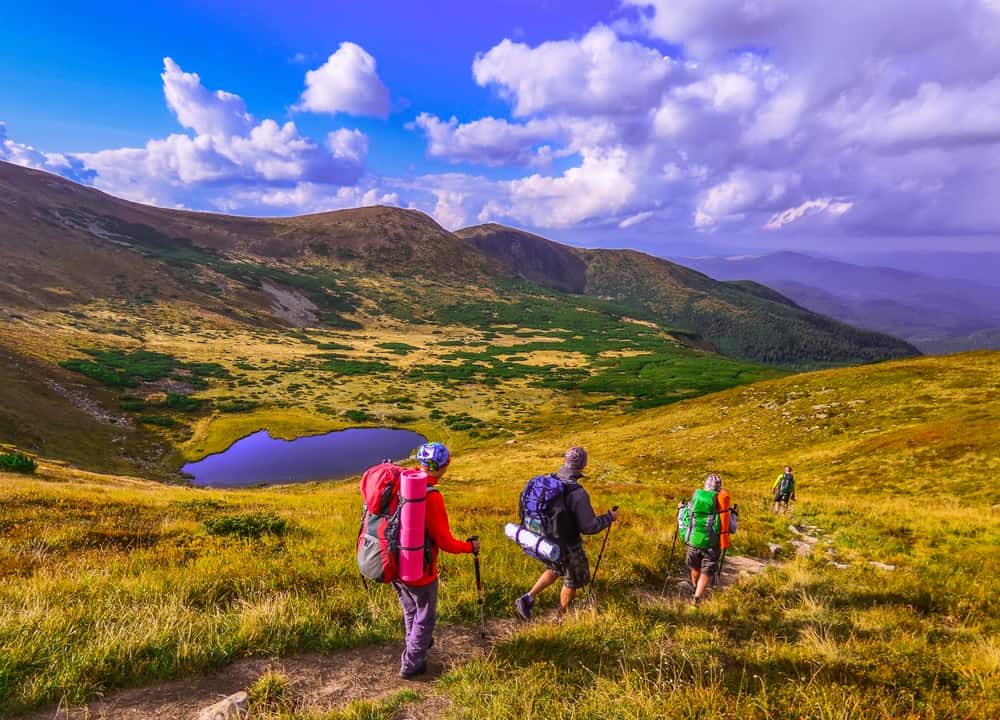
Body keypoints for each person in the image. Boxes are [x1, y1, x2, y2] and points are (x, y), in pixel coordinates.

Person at [392, 442, 479, 679]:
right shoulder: (430, 496)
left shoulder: (401, 481)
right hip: (420, 569)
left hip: (393, 561)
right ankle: (412, 664)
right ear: (444, 466)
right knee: (425, 617)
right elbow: (446, 543)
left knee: (411, 611)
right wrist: (470, 547)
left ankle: (414, 647)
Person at [514, 446, 618, 620]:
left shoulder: (551, 481)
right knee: (572, 580)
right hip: (567, 544)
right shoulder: (577, 493)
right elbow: (589, 527)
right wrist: (609, 517)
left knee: (554, 569)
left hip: (546, 540)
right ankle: (560, 617)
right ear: (583, 465)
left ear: (566, 461)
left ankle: (527, 598)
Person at [678, 473, 729, 606]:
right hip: (711, 545)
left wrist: (680, 508)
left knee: (695, 566)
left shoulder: (694, 501)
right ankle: (697, 598)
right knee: (707, 569)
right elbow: (731, 528)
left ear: (704, 486)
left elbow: (684, 519)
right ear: (719, 488)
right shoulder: (721, 505)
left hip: (693, 542)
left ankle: (695, 588)